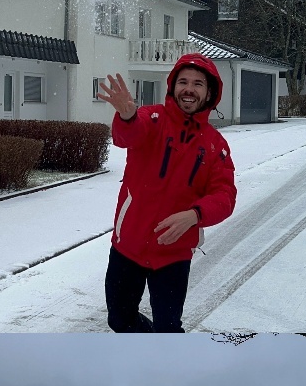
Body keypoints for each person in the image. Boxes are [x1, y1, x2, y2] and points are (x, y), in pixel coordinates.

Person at [96, 54, 237, 332]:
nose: (189, 88)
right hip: (129, 245)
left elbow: (225, 196)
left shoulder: (214, 145)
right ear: (172, 87)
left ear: (209, 93)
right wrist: (126, 115)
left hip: (174, 254)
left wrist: (195, 215)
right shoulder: (153, 117)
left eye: (198, 84)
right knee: (119, 320)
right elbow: (129, 135)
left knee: (168, 328)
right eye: (183, 81)